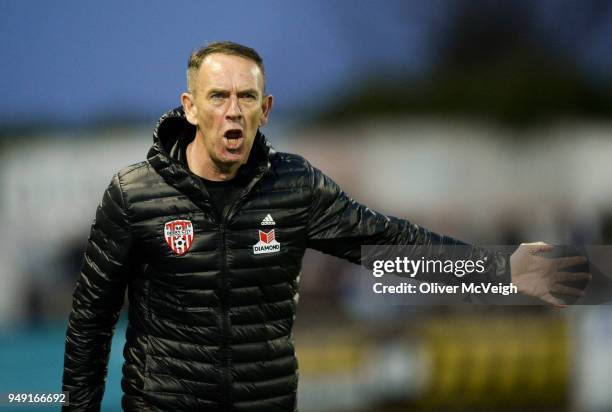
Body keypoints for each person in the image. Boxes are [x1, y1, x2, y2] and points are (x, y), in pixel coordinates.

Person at [62, 41, 589, 411]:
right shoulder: (134, 193)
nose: (233, 111)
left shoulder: (295, 187)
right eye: (218, 96)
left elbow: (388, 245)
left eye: (247, 98)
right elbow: (90, 321)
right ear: (190, 107)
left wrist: (503, 271)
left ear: (265, 109)